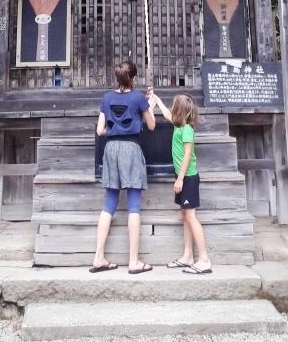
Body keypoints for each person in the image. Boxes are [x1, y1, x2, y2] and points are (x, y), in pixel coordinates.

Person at [91, 59, 156, 274]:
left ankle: (98, 257)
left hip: (110, 149)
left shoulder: (107, 98)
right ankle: (134, 261)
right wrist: (150, 105)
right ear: (134, 78)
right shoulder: (138, 98)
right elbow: (152, 125)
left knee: (109, 203)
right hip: (131, 149)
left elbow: (100, 130)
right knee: (134, 205)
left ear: (117, 78)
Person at [148, 92, 212, 274]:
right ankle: (188, 256)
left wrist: (180, 178)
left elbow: (187, 155)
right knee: (185, 216)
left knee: (191, 217)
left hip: (188, 178)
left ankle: (204, 260)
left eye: (174, 106)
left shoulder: (187, 130)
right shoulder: (178, 125)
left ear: (180, 110)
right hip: (184, 178)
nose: (172, 109)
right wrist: (157, 99)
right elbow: (167, 115)